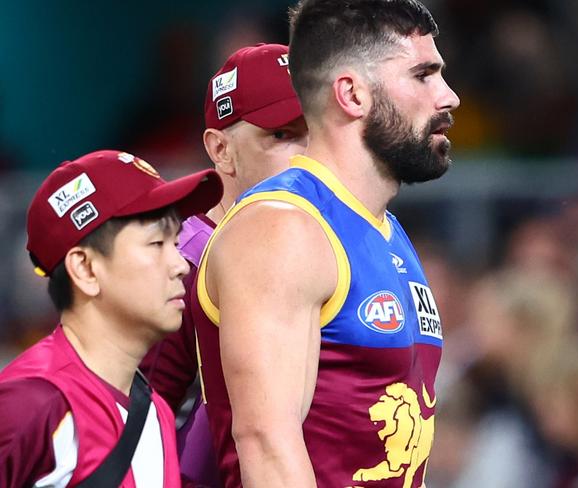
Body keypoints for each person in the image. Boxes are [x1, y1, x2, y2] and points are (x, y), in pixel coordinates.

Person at [195, 0, 460, 486]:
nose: (449, 97)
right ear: (352, 94)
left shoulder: (387, 231)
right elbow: (267, 447)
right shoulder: (283, 227)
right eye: (424, 75)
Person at [0, 149, 222, 487]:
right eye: (156, 243)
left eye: (176, 242)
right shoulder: (32, 403)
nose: (180, 265)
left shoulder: (155, 411)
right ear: (85, 268)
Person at [139, 43, 307, 486]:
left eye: (317, 132)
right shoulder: (182, 262)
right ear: (221, 150)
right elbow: (134, 432)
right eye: (283, 136)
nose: (309, 156)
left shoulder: (321, 245)